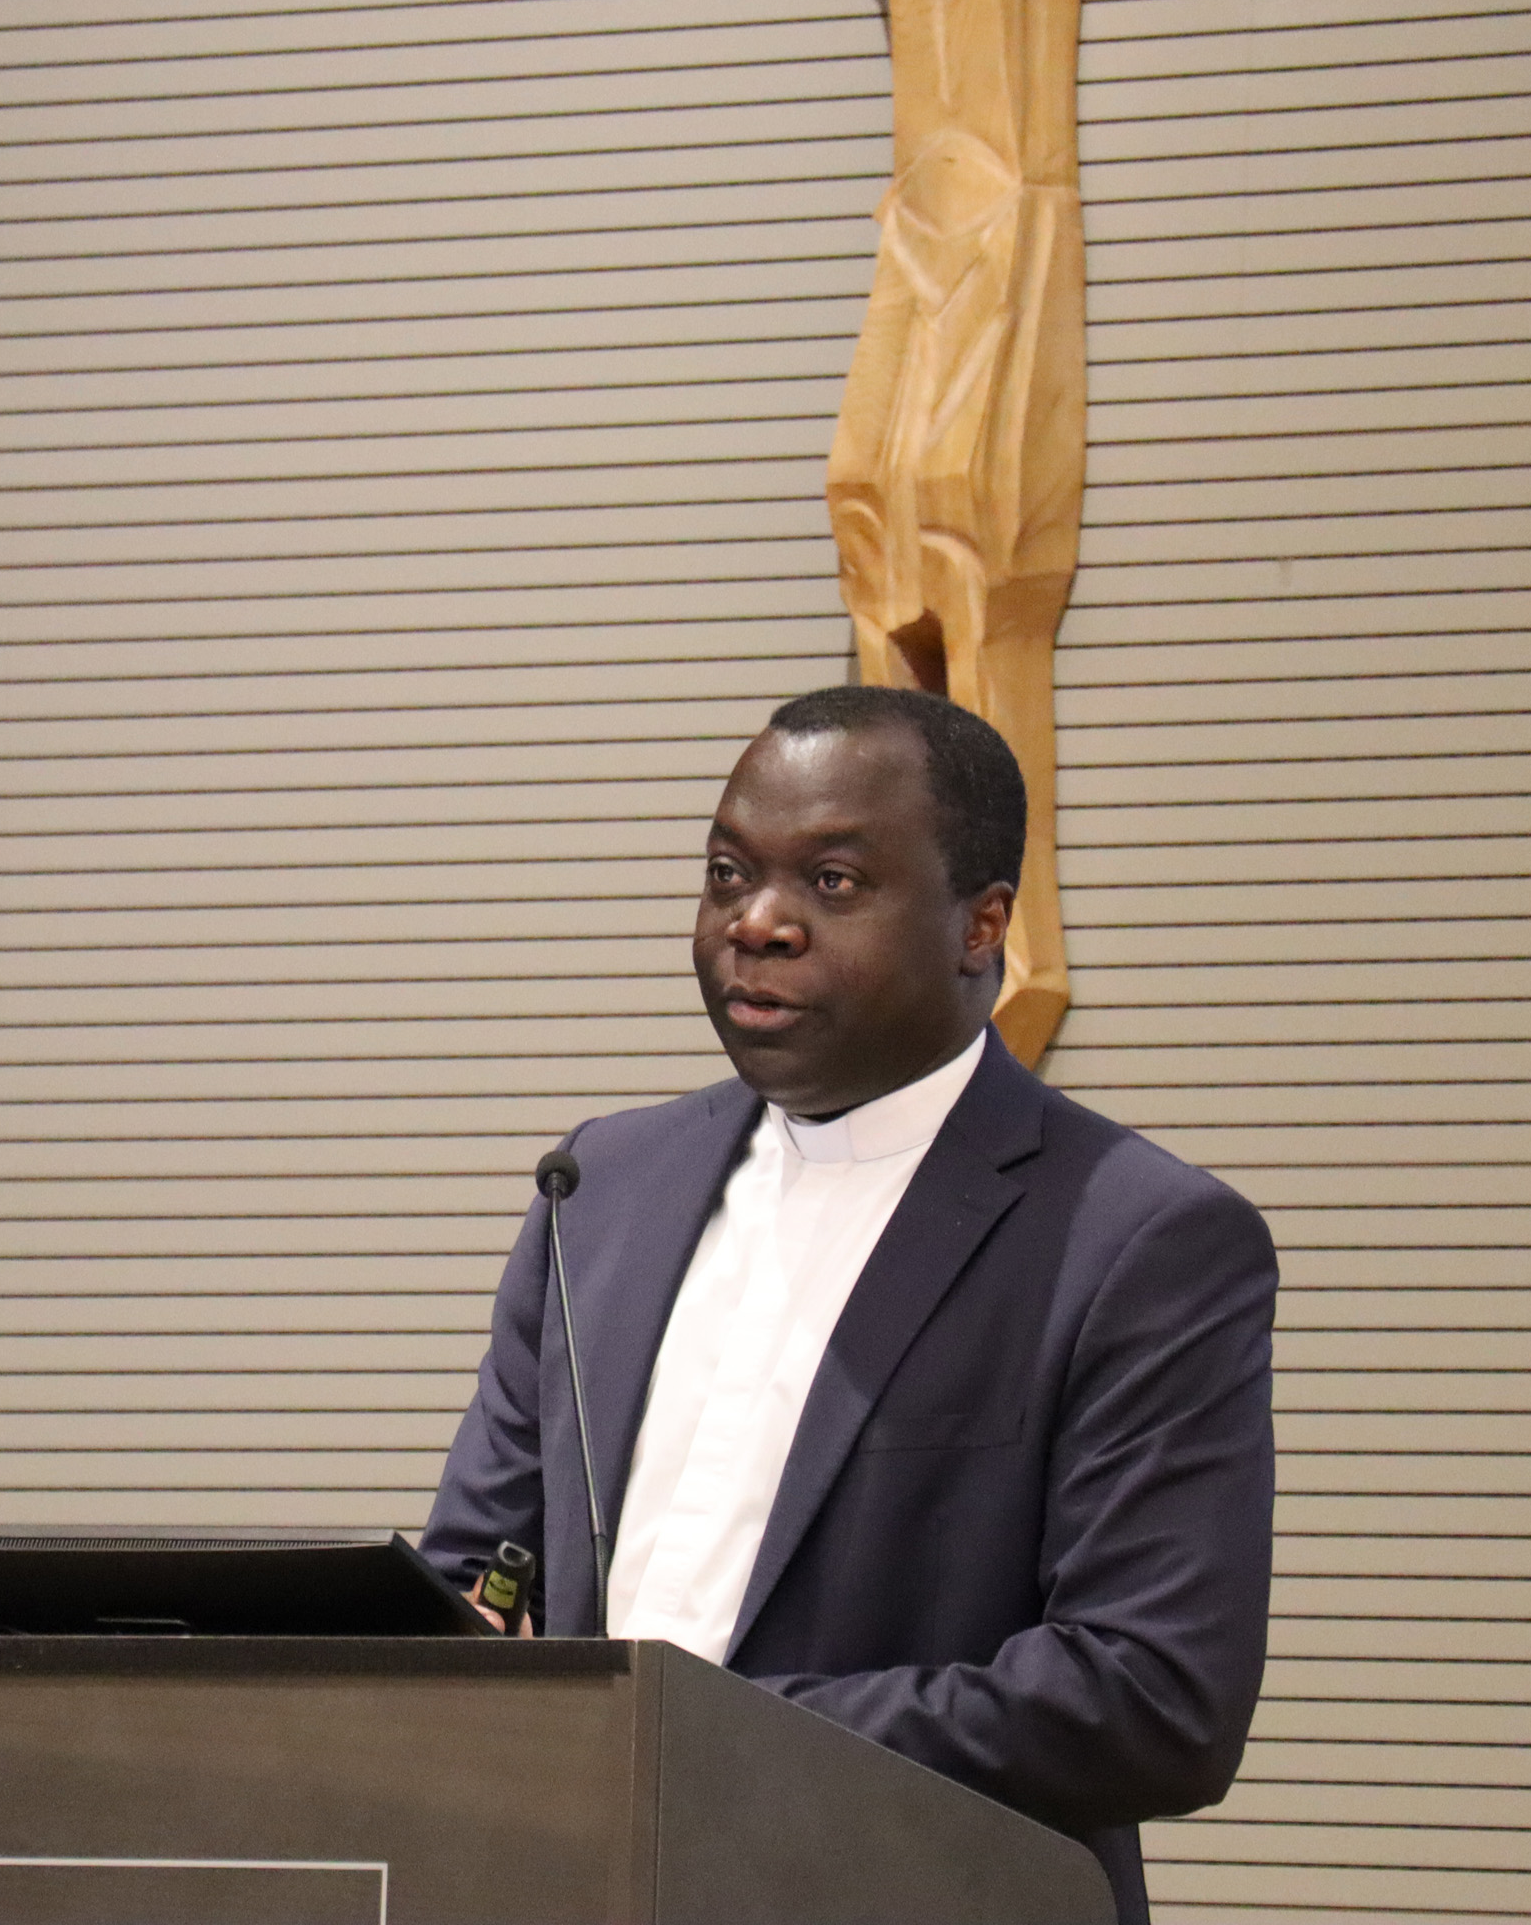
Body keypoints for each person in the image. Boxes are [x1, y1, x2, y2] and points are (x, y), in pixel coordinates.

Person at [420, 684, 1276, 1924]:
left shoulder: (1136, 1239)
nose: (757, 922)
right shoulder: (597, 1189)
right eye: (728, 873)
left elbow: (1153, 1696)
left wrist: (687, 1734)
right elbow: (478, 1578)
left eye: (831, 881)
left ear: (982, 925)